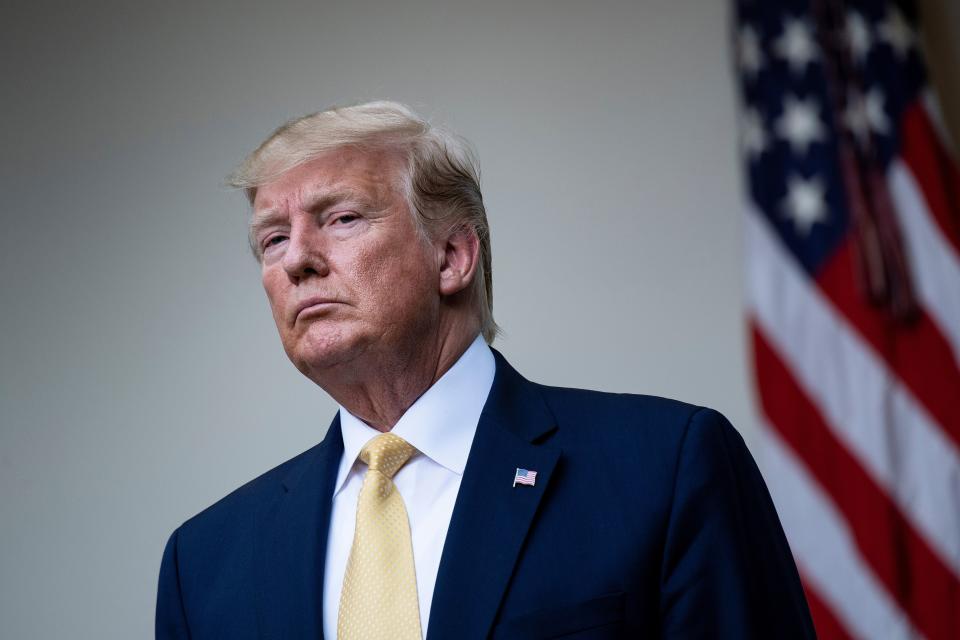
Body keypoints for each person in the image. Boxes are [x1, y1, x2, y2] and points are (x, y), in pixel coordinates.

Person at [155, 101, 814, 639]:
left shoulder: (665, 471)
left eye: (342, 218)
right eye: (272, 239)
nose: (297, 258)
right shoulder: (206, 562)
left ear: (452, 257)